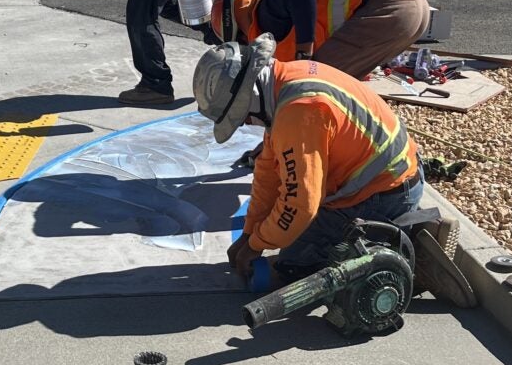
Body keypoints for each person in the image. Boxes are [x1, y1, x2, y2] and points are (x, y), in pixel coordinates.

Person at [194, 37, 474, 305]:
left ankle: (407, 252)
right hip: (387, 180)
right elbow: (269, 172)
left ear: (249, 97)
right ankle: (397, 232)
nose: (244, 124)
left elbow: (299, 205)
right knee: (289, 239)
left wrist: (257, 245)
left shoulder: (299, 110)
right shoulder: (286, 81)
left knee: (293, 268)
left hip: (384, 193)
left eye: (240, 118)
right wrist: (249, 232)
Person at [204, 0, 434, 80]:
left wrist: (304, 54)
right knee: (343, 86)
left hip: (389, 5)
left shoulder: (265, 9)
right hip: (412, 4)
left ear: (241, 32)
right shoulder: (271, 5)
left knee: (313, 82)